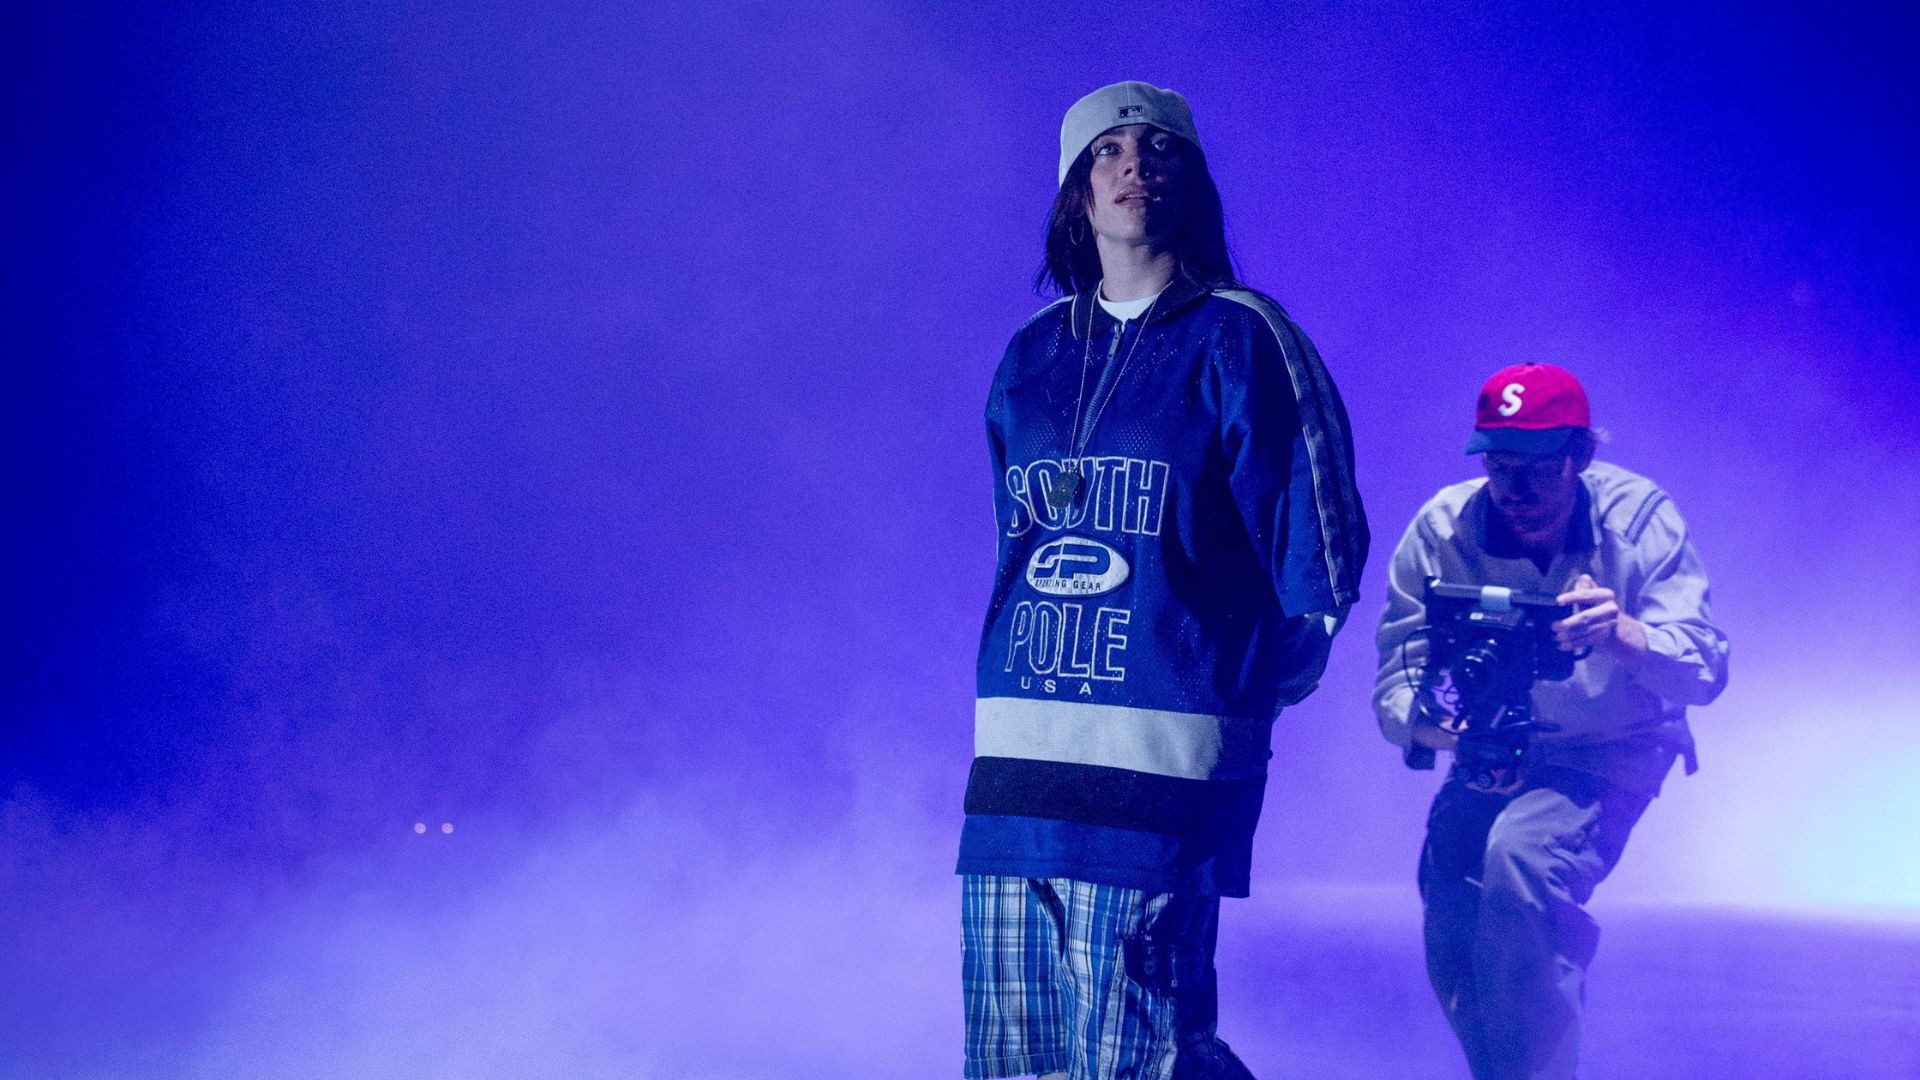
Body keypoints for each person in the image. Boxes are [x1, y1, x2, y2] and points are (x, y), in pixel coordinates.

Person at [956, 81, 1369, 1080]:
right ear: (1075, 194)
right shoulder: (1029, 357)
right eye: (1107, 151)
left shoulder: (1240, 336)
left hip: (1161, 760)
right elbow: (1016, 539)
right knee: (1014, 1062)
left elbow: (1316, 538)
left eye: (1158, 149)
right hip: (1017, 766)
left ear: (1193, 183)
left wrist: (1248, 683)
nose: (1133, 164)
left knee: (1140, 1057)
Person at [1372, 362, 1730, 1080]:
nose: (1519, 490)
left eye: (1541, 468)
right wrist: (1431, 725)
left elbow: (1705, 670)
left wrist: (1622, 632)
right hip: (1495, 746)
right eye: (1501, 466)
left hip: (1612, 743)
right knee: (1452, 909)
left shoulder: (1639, 520)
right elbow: (1399, 668)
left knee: (1522, 865)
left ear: (1581, 458)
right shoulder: (1443, 529)